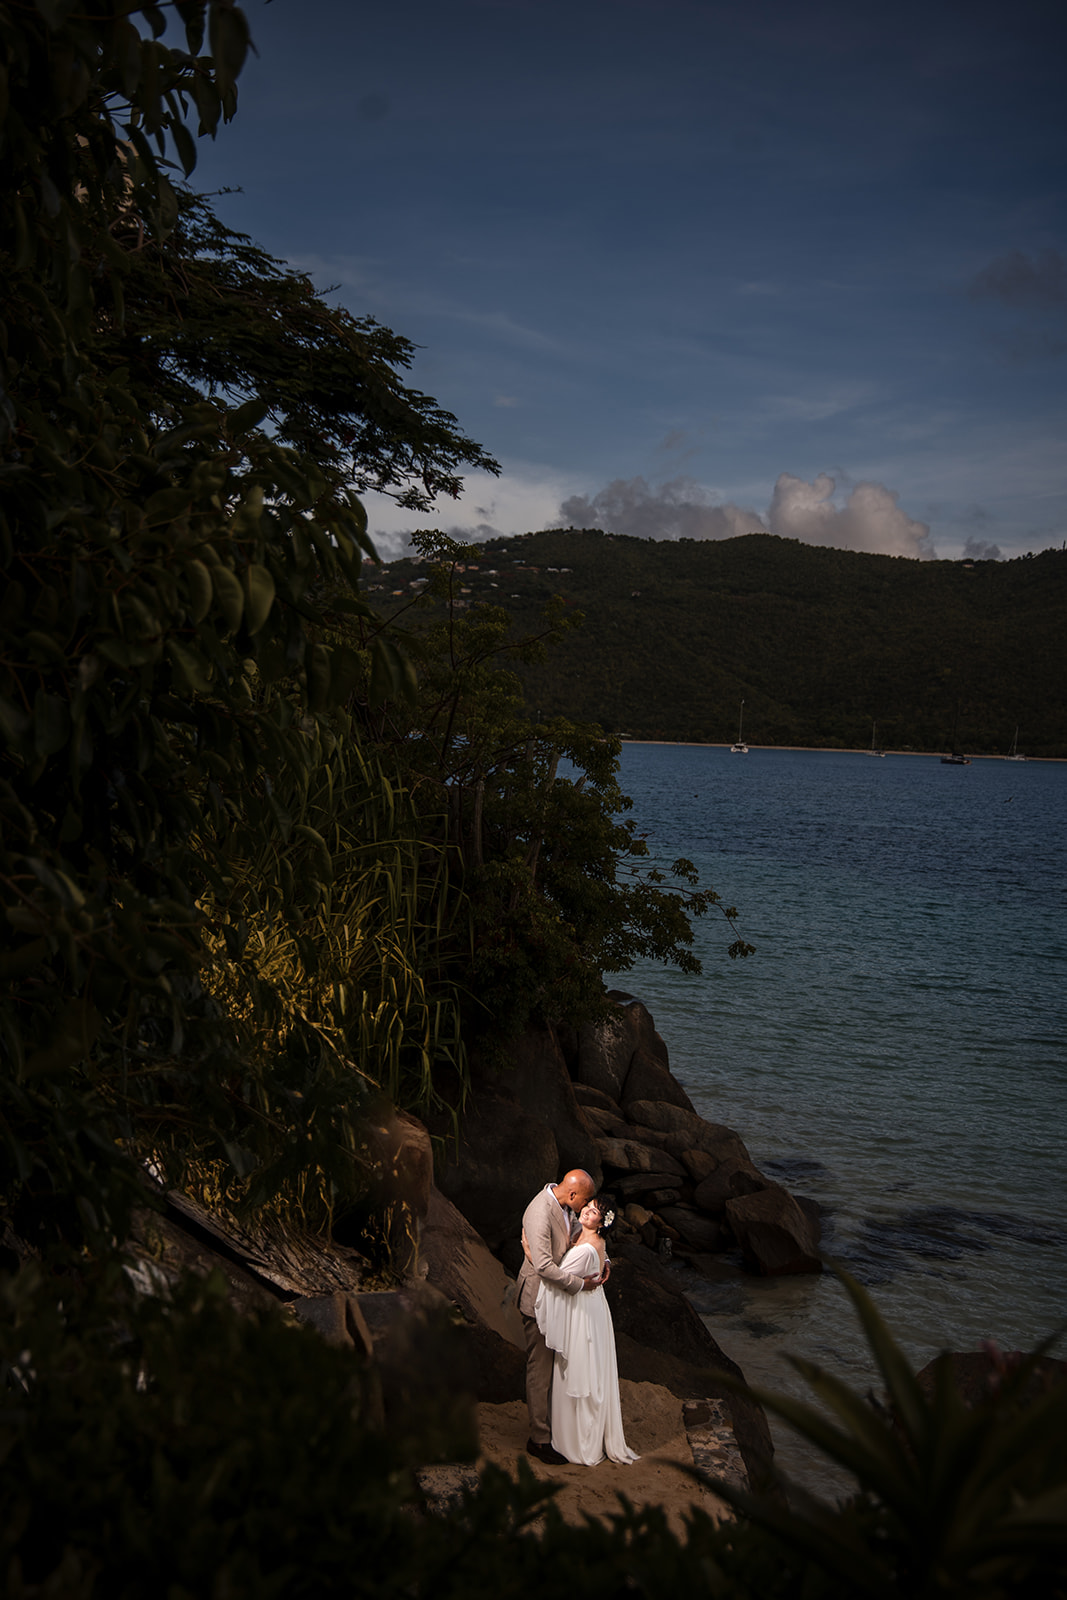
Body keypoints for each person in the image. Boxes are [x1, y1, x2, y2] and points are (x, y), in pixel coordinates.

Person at [534, 1197, 638, 1466]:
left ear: (602, 1224)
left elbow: (553, 1275)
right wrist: (607, 1262)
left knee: (577, 1371)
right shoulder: (590, 1239)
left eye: (593, 1212)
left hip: (583, 1313)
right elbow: (597, 1253)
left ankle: (577, 1443)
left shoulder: (586, 1250)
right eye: (588, 1206)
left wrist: (529, 1251)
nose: (586, 1212)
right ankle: (586, 1437)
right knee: (591, 1370)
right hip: (593, 1309)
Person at [517, 1169, 602, 1465]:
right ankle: (538, 1440)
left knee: (559, 1366)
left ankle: (558, 1428)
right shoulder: (540, 1211)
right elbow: (543, 1266)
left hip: (558, 1300)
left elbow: (583, 1239)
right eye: (586, 1200)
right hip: (538, 1299)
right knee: (540, 1369)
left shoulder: (567, 1205)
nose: (588, 1206)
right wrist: (581, 1285)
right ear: (573, 1194)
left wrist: (602, 1260)